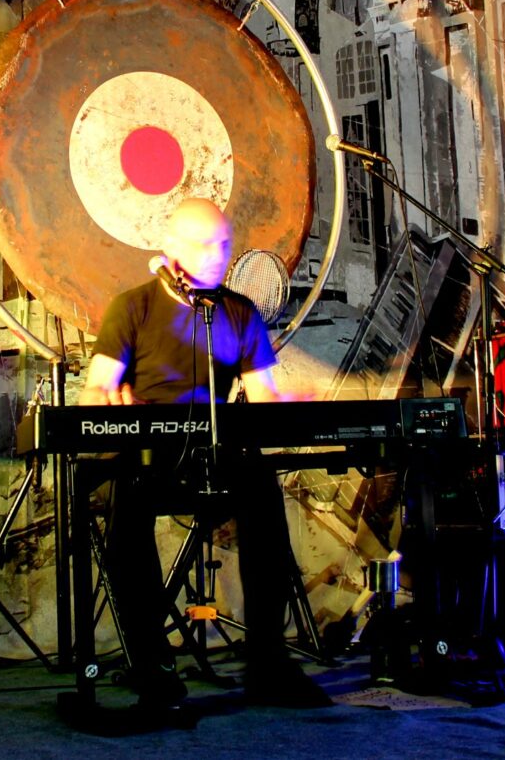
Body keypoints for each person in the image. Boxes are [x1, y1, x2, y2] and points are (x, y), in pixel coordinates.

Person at [79, 197, 331, 709]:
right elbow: (94, 393)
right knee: (127, 507)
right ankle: (152, 662)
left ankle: (268, 661)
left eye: (224, 245)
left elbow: (262, 399)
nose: (217, 255)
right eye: (203, 245)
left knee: (263, 490)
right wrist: (107, 399)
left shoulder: (239, 312)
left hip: (218, 456)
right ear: (171, 249)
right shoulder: (133, 307)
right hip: (149, 458)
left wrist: (291, 405)